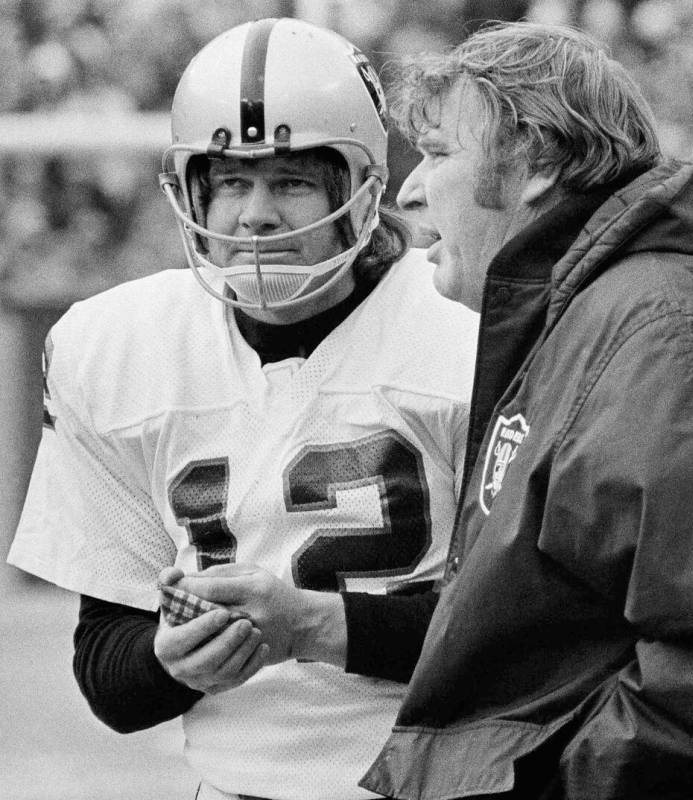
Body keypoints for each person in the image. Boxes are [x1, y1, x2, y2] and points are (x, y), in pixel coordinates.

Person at [356, 21, 693, 800]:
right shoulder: (595, 317)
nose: (409, 188)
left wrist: (566, 789)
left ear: (537, 159)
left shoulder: (661, 323)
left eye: (438, 154)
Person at [6, 18, 477, 800]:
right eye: (230, 182)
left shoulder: (461, 323)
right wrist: (171, 659)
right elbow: (109, 678)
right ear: (189, 191)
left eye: (290, 180)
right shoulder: (119, 348)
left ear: (361, 187)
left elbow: (530, 633)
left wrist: (312, 625)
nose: (255, 215)